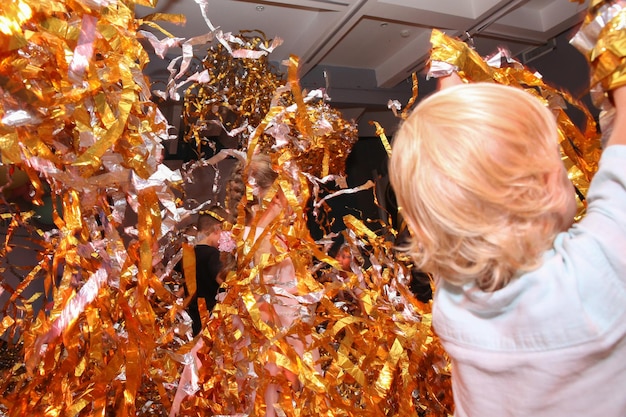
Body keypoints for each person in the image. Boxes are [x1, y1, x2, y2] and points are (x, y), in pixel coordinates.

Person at [388, 79, 626, 416]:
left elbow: (454, 207)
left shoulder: (452, 304)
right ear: (547, 184)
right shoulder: (586, 280)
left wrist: (452, 92)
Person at [177, 205, 228, 336]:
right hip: (210, 318)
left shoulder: (187, 255)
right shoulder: (212, 254)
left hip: (193, 317)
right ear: (217, 229)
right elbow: (221, 279)